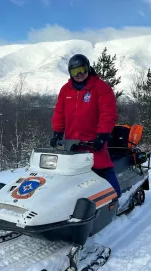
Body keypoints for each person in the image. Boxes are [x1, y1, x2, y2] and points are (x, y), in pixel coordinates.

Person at [50, 54, 121, 198]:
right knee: (70, 172)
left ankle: (115, 196)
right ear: (70, 73)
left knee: (103, 167)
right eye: (75, 71)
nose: (79, 74)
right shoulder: (66, 90)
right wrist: (57, 132)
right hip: (72, 142)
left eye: (82, 70)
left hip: (93, 141)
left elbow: (108, 113)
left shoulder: (100, 87)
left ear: (88, 68)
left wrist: (102, 135)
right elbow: (59, 112)